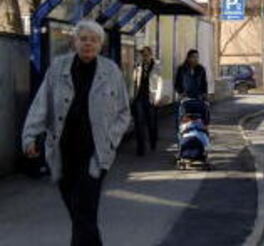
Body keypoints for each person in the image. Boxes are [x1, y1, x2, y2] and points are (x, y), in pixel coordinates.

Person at [22, 20, 131, 246]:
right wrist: (30, 136)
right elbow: (41, 105)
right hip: (63, 153)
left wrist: (111, 140)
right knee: (80, 214)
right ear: (74, 42)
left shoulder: (111, 71)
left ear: (101, 44)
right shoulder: (58, 68)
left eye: (93, 40)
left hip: (95, 155)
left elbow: (123, 113)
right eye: (83, 39)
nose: (88, 44)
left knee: (83, 211)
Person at [132, 46, 162, 156]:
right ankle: (141, 148)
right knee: (139, 123)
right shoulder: (138, 66)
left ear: (150, 54)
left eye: (146, 55)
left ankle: (153, 141)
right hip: (139, 97)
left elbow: (160, 81)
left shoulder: (156, 66)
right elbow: (134, 81)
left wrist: (158, 96)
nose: (144, 57)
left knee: (151, 123)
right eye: (143, 55)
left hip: (151, 98)